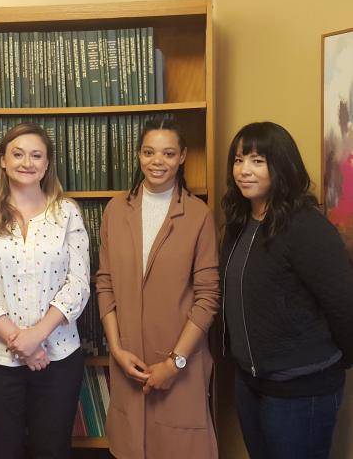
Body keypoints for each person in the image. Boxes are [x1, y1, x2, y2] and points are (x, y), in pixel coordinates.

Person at [221, 121, 353, 459]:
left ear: (281, 166)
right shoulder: (238, 223)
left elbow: (343, 305)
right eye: (238, 160)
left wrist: (330, 366)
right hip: (251, 383)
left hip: (301, 389)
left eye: (257, 161)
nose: (244, 171)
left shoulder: (306, 227)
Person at [0, 122, 90, 459]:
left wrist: (38, 336)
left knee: (53, 450)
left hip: (58, 357)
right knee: (1, 451)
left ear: (47, 164)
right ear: (3, 160)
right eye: (18, 154)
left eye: (36, 156)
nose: (26, 162)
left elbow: (78, 284)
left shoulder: (67, 213)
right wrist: (21, 342)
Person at [96, 116, 220, 459]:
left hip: (180, 366)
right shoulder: (115, 210)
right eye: (149, 152)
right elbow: (105, 283)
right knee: (129, 448)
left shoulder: (198, 215)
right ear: (139, 155)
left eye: (167, 154)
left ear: (182, 157)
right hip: (128, 363)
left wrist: (174, 363)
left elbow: (207, 298)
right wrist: (116, 349)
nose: (157, 162)